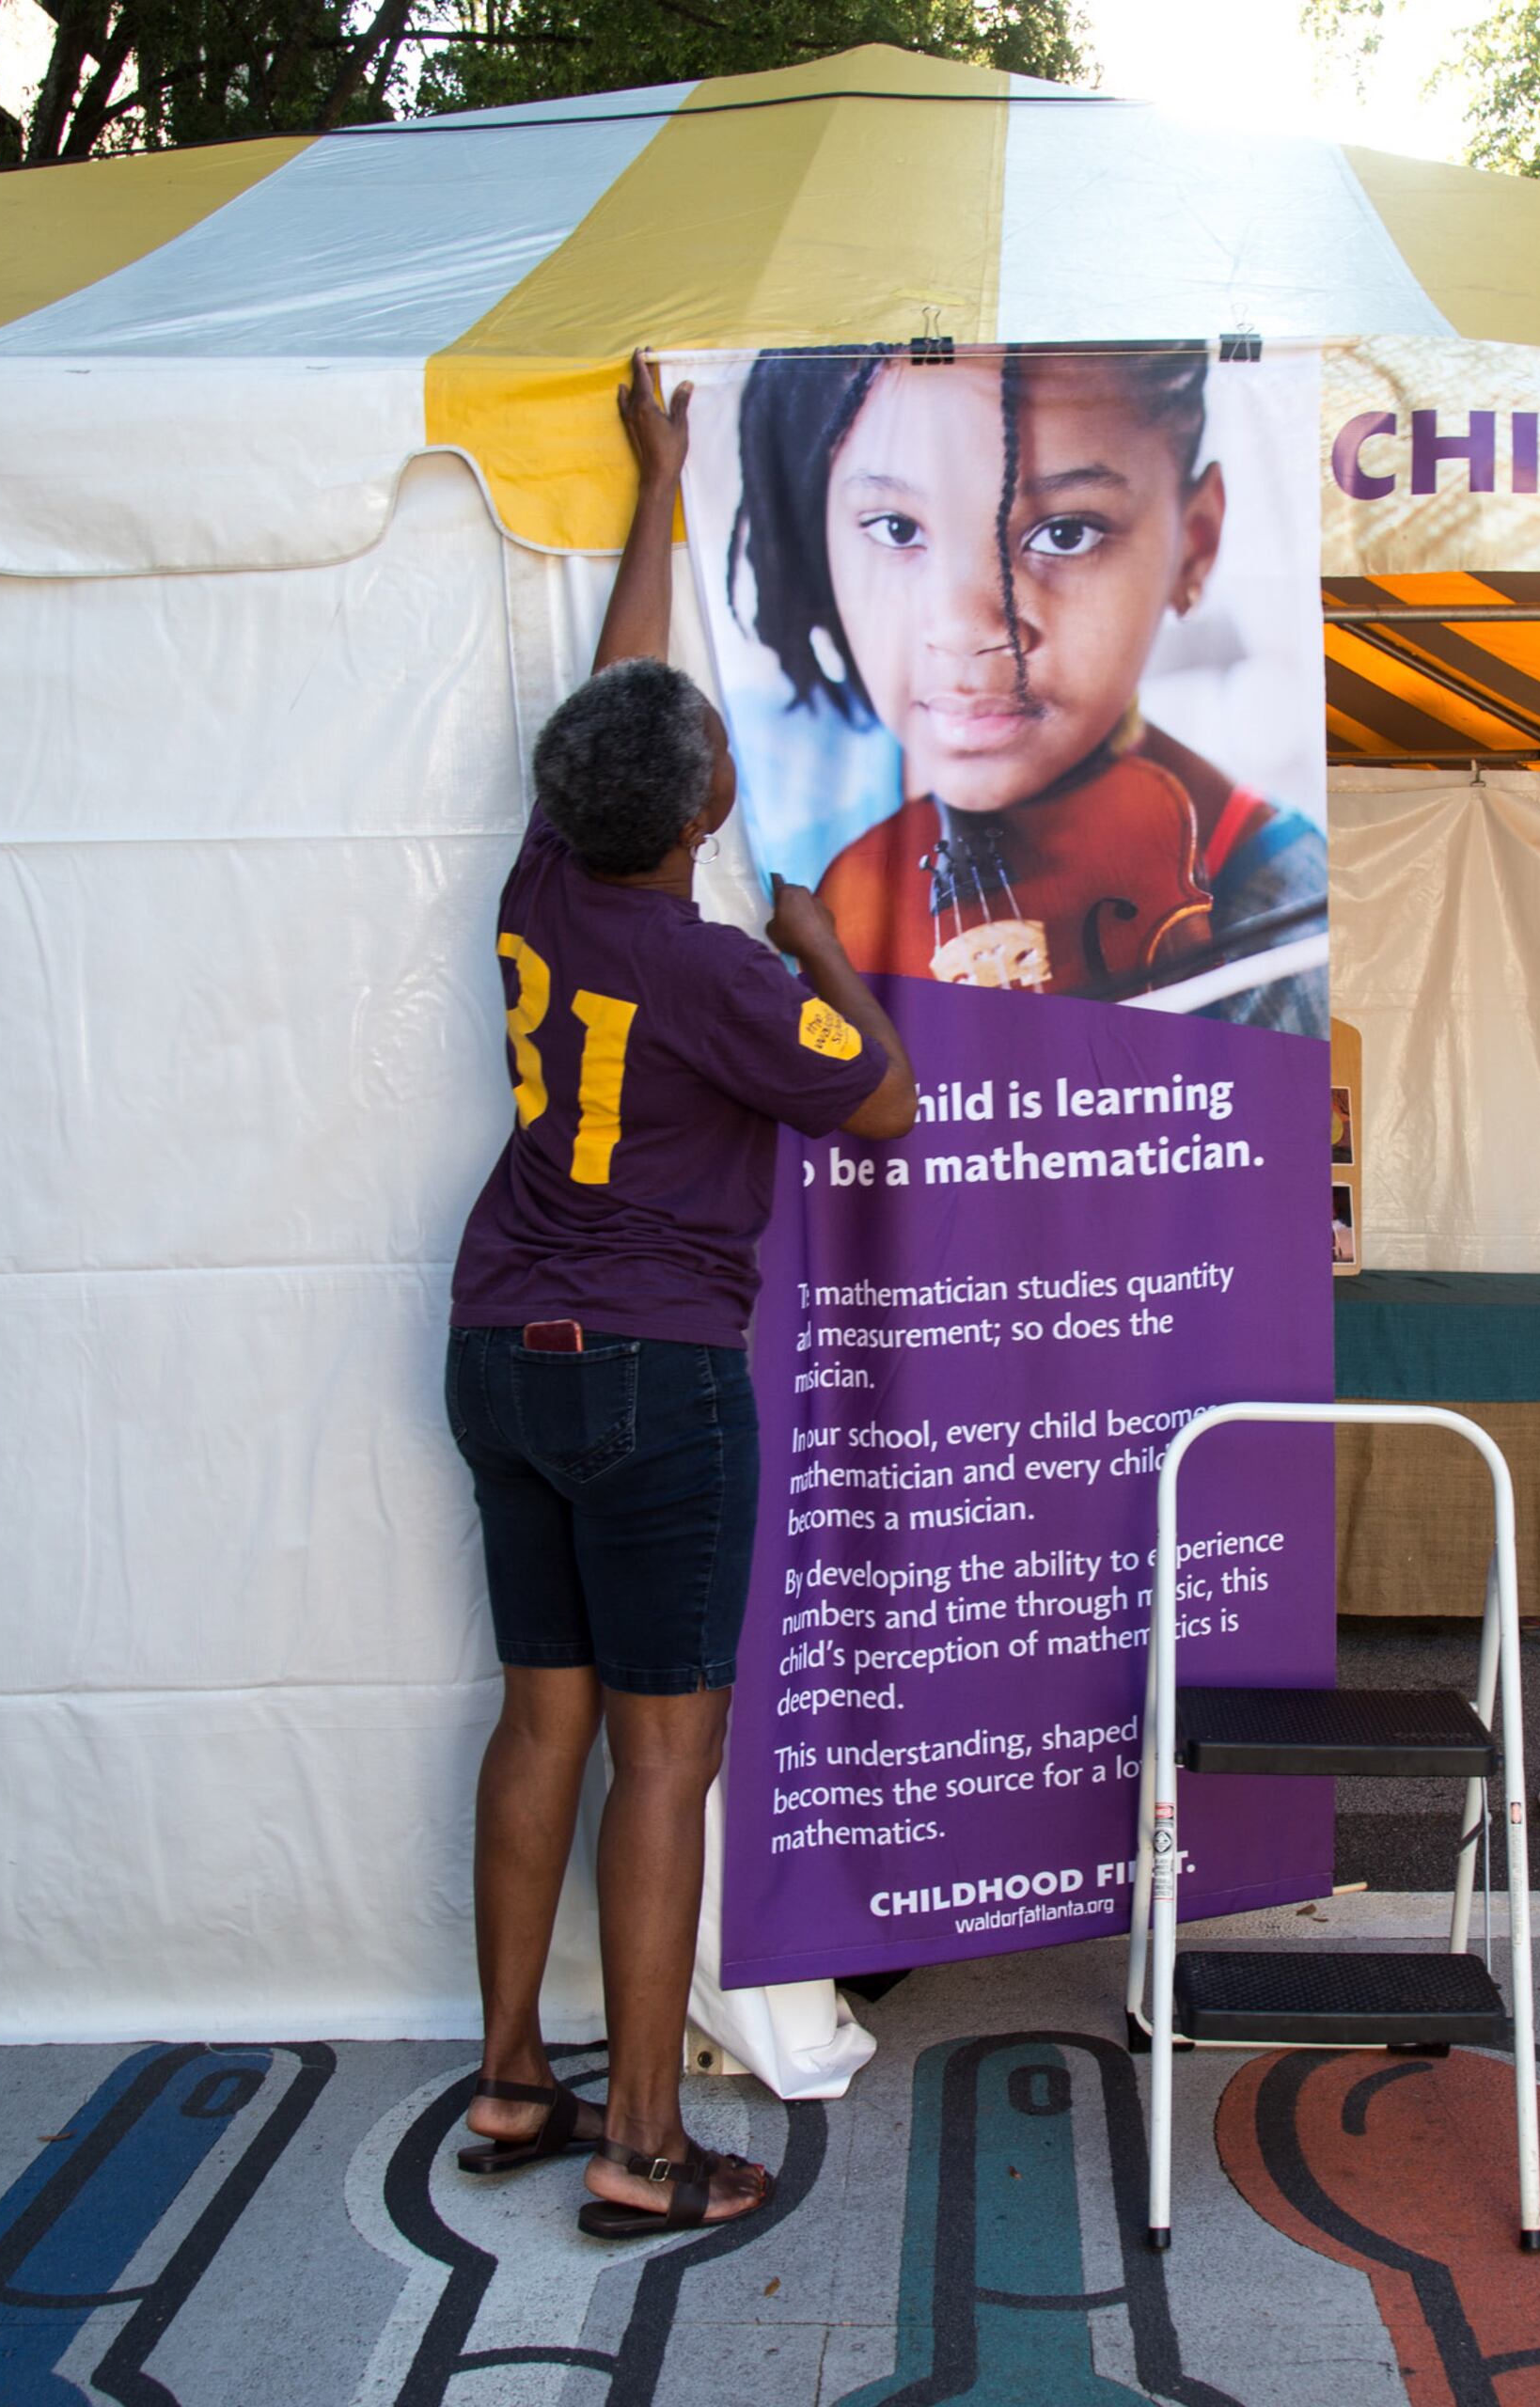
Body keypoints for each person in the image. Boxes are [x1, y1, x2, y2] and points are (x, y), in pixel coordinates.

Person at [443, 354, 916, 2238]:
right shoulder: (725, 966)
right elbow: (879, 1099)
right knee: (666, 1761)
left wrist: (662, 478)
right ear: (703, 807)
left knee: (537, 1716)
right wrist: (821, 944)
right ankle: (642, 2142)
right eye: (707, 748)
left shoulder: (551, 879)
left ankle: (510, 2077)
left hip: (502, 1352)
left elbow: (613, 698)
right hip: (655, 1382)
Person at [725, 340, 1325, 1029]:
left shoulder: (1280, 911)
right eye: (896, 529)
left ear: (1193, 542)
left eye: (1065, 533)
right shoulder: (748, 789)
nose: (966, 627)